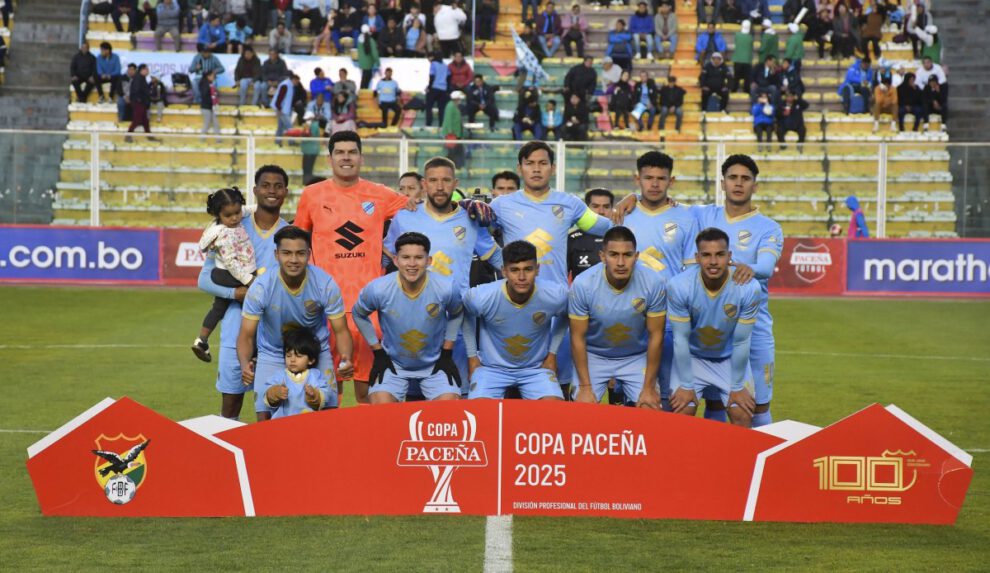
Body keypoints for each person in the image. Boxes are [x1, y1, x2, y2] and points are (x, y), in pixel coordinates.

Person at [292, 131, 421, 403]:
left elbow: (419, 210)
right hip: (324, 305)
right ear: (330, 158)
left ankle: (367, 444)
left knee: (367, 389)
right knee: (326, 392)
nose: (346, 157)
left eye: (352, 152)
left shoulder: (380, 194)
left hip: (368, 307)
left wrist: (463, 204)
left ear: (361, 157)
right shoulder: (312, 195)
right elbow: (296, 242)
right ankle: (328, 443)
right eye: (340, 152)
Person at [693, 155, 783, 427]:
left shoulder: (768, 227)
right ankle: (717, 465)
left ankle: (764, 464)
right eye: (733, 178)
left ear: (755, 185)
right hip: (712, 328)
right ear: (723, 183)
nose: (738, 184)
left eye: (746, 179)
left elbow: (766, 265)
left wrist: (751, 268)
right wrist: (631, 198)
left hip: (754, 328)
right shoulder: (703, 214)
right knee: (716, 401)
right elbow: (665, 205)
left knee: (756, 404)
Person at [238, 225, 354, 420]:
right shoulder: (261, 287)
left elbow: (341, 331)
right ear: (276, 255)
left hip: (315, 351)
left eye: (300, 253)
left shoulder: (324, 284)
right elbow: (246, 335)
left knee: (329, 414)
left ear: (309, 254)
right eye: (287, 253)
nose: (293, 260)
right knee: (264, 416)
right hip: (273, 352)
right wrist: (244, 364)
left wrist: (346, 359)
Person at [355, 232, 465, 403]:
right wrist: (378, 352)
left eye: (418, 258)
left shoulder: (446, 287)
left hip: (434, 363)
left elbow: (457, 313)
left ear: (429, 261)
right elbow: (358, 314)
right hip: (394, 364)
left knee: (450, 405)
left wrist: (447, 352)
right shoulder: (378, 289)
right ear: (395, 260)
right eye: (405, 257)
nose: (412, 264)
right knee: (379, 404)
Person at [667, 227, 761, 428]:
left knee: (742, 413)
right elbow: (680, 339)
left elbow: (742, 340)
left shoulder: (748, 288)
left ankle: (737, 460)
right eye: (706, 255)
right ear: (697, 257)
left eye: (719, 254)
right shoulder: (679, 286)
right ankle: (684, 460)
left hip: (729, 359)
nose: (713, 261)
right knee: (682, 410)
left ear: (729, 256)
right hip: (692, 358)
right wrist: (686, 385)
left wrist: (737, 386)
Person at [570, 226, 666, 407]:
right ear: (602, 256)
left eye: (627, 255)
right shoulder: (583, 284)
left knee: (649, 407)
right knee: (582, 410)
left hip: (635, 356)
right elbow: (577, 337)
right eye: (614, 255)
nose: (621, 262)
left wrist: (649, 387)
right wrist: (585, 386)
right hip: (594, 356)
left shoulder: (654, 283)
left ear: (636, 256)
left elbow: (656, 336)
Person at [463, 240, 568, 400]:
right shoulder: (482, 297)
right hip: (491, 369)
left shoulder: (555, 295)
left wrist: (552, 353)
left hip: (535, 369)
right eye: (514, 270)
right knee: (479, 414)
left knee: (553, 412)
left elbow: (565, 314)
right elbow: (466, 315)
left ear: (537, 269)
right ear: (504, 271)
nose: (521, 277)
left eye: (528, 269)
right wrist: (472, 357)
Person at [192, 187, 257, 362]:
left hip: (226, 273)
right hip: (228, 274)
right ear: (218, 214)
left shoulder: (235, 216)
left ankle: (201, 341)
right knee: (254, 304)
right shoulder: (223, 234)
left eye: (237, 212)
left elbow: (248, 210)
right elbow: (232, 263)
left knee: (219, 307)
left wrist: (262, 207)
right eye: (229, 215)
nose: (235, 218)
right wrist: (249, 280)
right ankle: (255, 350)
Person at [263, 328, 337, 417]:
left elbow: (326, 394)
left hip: (308, 424)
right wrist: (275, 392)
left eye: (298, 356)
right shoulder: (280, 376)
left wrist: (314, 395)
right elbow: (267, 397)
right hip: (283, 424)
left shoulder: (314, 376)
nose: (292, 360)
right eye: (288, 355)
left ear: (311, 360)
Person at [425, 52, 450, 127]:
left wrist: (429, 87)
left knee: (429, 106)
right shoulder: (445, 66)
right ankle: (441, 125)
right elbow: (449, 77)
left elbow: (432, 76)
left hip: (434, 87)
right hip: (443, 89)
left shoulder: (433, 64)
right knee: (441, 109)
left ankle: (428, 123)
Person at [127, 64, 152, 136]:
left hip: (141, 102)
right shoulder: (138, 78)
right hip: (139, 102)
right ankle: (128, 134)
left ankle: (149, 136)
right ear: (142, 70)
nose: (148, 71)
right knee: (137, 120)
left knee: (145, 121)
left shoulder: (141, 78)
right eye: (146, 69)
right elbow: (137, 90)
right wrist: (140, 100)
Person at [731, 20, 754, 93]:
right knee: (747, 78)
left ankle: (734, 90)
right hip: (747, 60)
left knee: (736, 77)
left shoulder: (737, 35)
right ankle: (746, 91)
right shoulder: (750, 37)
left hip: (737, 59)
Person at [199, 69, 222, 142]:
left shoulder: (211, 84)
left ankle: (218, 140)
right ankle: (202, 140)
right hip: (206, 107)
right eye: (212, 75)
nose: (214, 77)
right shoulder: (204, 84)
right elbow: (205, 95)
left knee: (216, 123)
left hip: (212, 107)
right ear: (208, 76)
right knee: (206, 124)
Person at [272, 73, 294, 143]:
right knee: (289, 126)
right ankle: (291, 142)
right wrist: (279, 108)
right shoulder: (286, 85)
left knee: (280, 127)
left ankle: (277, 142)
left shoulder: (287, 85)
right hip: (282, 110)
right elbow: (280, 97)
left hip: (282, 109)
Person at [356, 24, 380, 90]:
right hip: (369, 64)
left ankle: (362, 93)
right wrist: (378, 63)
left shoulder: (359, 40)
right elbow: (375, 53)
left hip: (361, 64)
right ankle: (364, 94)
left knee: (363, 80)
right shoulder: (371, 41)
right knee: (366, 81)